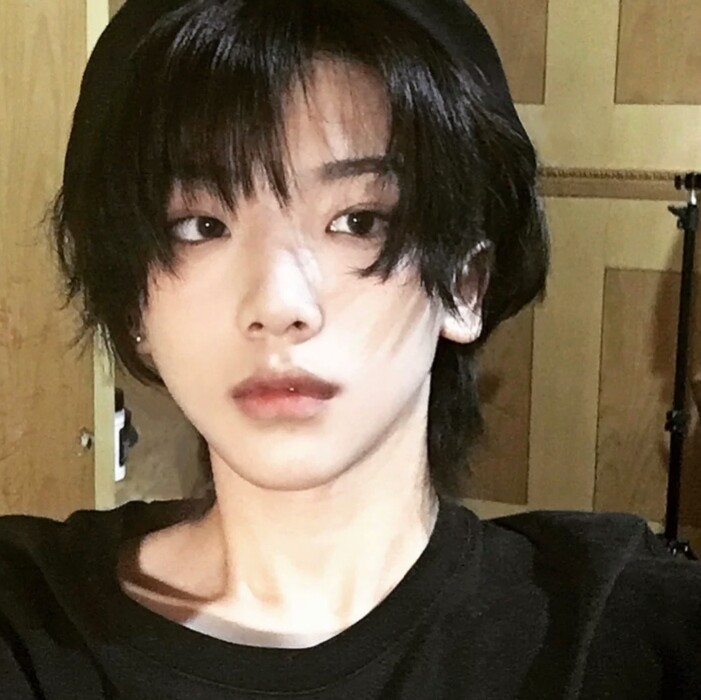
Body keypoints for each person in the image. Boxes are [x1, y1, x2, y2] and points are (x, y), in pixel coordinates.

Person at [1, 0, 699, 697]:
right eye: (200, 226)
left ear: (464, 285)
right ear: (134, 305)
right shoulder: (25, 622)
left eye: (358, 221)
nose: (278, 304)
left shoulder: (621, 633)